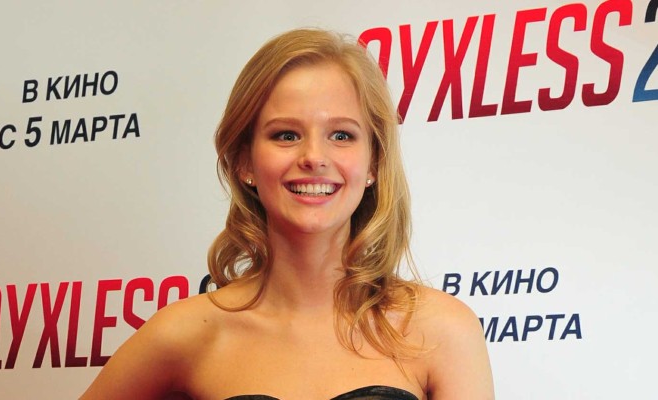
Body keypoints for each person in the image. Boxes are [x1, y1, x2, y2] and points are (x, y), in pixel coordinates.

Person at [80, 28, 494, 400]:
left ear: (373, 163)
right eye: (286, 134)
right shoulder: (187, 334)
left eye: (341, 135)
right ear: (245, 162)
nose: (314, 156)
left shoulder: (442, 330)